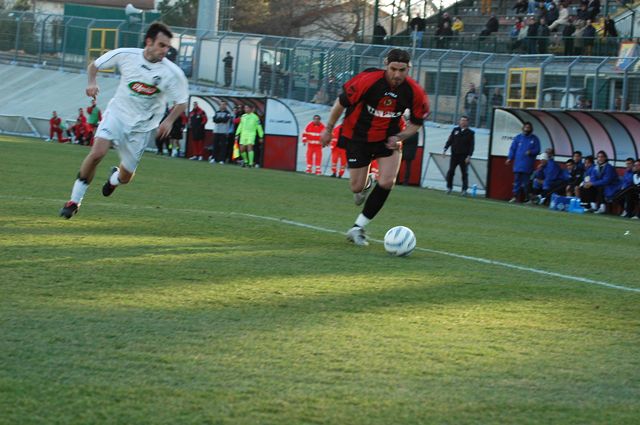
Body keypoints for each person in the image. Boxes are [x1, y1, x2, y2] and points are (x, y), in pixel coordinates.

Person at [59, 22, 188, 219]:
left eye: (167, 46)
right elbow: (94, 66)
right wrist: (92, 82)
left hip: (142, 128)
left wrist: (169, 121)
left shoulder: (172, 73)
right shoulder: (126, 55)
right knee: (96, 154)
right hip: (117, 115)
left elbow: (181, 102)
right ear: (149, 41)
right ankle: (74, 201)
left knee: (126, 176)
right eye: (162, 45)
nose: (165, 50)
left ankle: (114, 179)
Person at [319, 49, 429, 246]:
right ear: (386, 65)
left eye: (402, 70)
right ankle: (365, 184)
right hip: (357, 136)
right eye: (393, 69)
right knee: (356, 187)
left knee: (387, 182)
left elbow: (416, 122)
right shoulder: (367, 80)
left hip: (388, 138)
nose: (397, 74)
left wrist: (399, 137)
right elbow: (340, 104)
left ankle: (357, 227)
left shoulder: (415, 91)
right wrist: (328, 130)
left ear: (408, 68)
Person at [506, 121, 541, 203]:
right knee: (516, 182)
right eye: (525, 127)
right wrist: (509, 158)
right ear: (523, 128)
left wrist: (531, 152)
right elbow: (512, 149)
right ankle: (515, 197)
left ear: (531, 129)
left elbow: (537, 149)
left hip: (528, 165)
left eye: (528, 128)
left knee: (527, 183)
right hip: (518, 164)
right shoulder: (518, 138)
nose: (526, 129)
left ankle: (528, 198)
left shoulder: (534, 139)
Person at [443, 115, 475, 196]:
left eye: (464, 120)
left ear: (467, 122)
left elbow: (471, 146)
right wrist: (445, 149)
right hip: (454, 155)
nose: (463, 122)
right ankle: (449, 187)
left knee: (464, 173)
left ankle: (464, 189)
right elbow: (450, 140)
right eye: (461, 120)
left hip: (464, 156)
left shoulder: (470, 133)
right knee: (451, 171)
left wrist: (469, 156)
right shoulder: (455, 130)